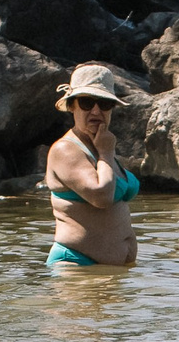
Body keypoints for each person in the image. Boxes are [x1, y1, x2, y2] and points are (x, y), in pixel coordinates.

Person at [44, 64, 139, 267]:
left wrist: (105, 151)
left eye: (104, 103)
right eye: (87, 102)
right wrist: (106, 153)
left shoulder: (101, 143)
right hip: (78, 265)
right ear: (72, 106)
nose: (96, 110)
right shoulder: (65, 150)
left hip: (111, 272)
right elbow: (101, 196)